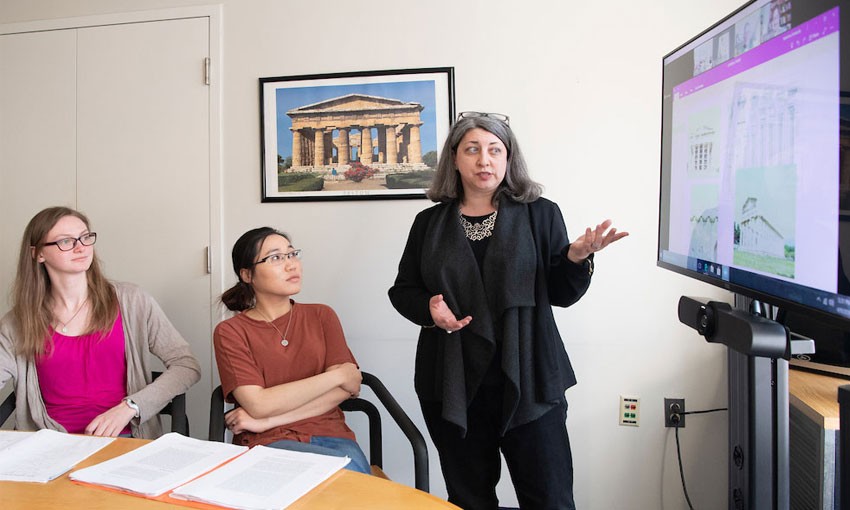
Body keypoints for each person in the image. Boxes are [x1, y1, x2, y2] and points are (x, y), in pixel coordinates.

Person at [388, 112, 628, 509]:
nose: (484, 160)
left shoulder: (540, 213)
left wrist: (575, 257)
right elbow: (403, 291)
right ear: (454, 159)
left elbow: (562, 294)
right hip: (453, 383)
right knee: (468, 499)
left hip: (530, 376)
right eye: (473, 149)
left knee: (549, 498)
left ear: (508, 158)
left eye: (495, 150)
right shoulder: (428, 223)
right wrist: (429, 308)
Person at [0, 206, 201, 438]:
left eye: (85, 237)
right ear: (38, 254)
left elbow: (186, 366)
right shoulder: (17, 323)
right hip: (49, 445)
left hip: (125, 441)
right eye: (66, 241)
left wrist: (131, 407)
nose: (80, 247)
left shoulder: (131, 301)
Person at [214, 227, 370, 474]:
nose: (291, 265)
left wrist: (267, 420)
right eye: (275, 257)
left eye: (292, 254)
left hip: (331, 435)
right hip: (267, 442)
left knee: (352, 482)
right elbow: (258, 404)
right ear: (247, 274)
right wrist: (337, 375)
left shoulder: (321, 315)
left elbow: (344, 391)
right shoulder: (230, 331)